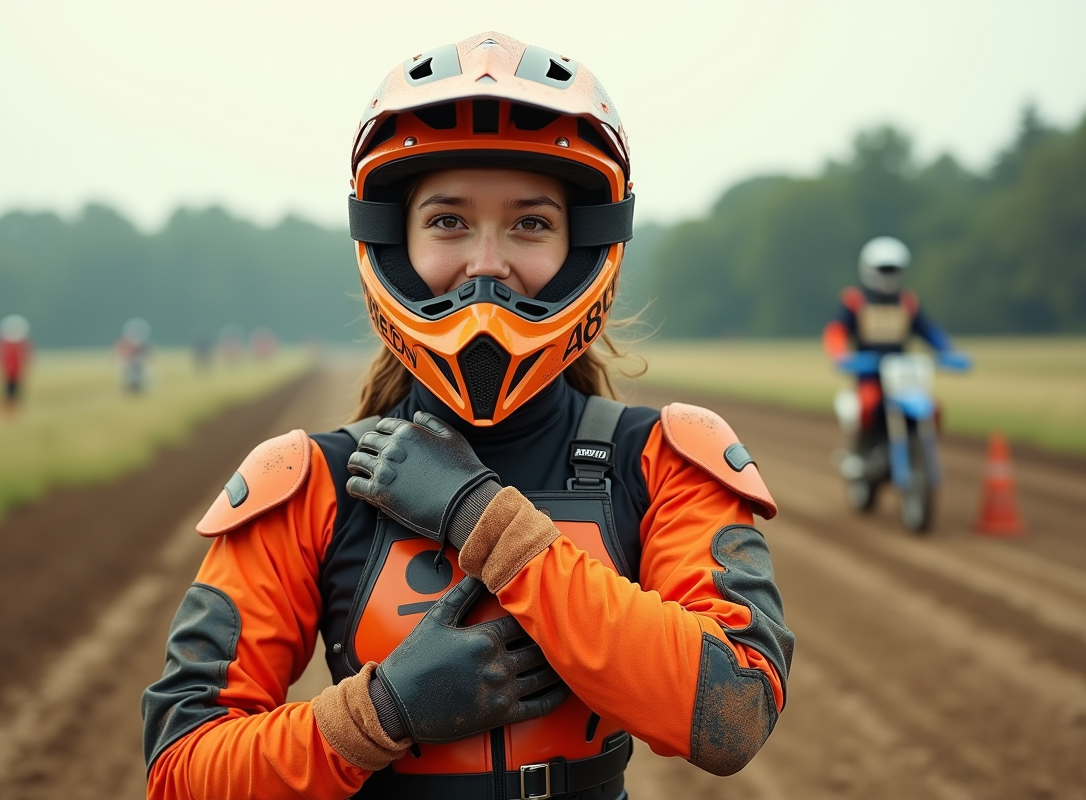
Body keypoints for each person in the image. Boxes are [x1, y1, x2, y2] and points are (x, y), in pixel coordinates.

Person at [143, 32, 793, 800]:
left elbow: (735, 711)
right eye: (449, 222)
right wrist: (382, 712)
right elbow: (181, 771)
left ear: (586, 246)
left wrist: (481, 517)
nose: (487, 262)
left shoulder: (660, 459)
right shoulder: (308, 483)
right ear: (394, 244)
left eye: (530, 223)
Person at [823, 236, 958, 476]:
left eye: (894, 270)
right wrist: (842, 355)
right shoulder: (855, 301)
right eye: (884, 269)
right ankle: (862, 451)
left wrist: (947, 351)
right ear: (869, 270)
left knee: (932, 408)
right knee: (867, 405)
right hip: (870, 374)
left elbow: (928, 331)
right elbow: (836, 331)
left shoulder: (907, 302)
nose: (889, 276)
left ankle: (919, 452)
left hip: (904, 377)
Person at [0, 314, 32, 412]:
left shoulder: (21, 346)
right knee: (7, 392)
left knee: (15, 392)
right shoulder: (6, 346)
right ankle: (7, 410)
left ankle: (13, 410)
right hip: (9, 373)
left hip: (16, 373)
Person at [117, 317, 152, 393]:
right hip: (131, 360)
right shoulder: (127, 342)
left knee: (138, 373)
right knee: (129, 374)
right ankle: (131, 386)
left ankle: (137, 386)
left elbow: (147, 351)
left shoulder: (142, 343)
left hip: (137, 360)